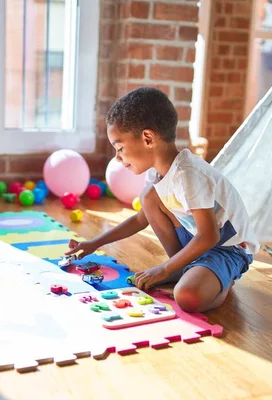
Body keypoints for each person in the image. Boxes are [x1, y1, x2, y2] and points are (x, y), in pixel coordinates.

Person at [66, 87, 259, 313]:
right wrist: (95, 243)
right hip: (199, 241)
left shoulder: (188, 174)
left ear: (148, 138)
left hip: (227, 249)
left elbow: (210, 236)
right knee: (149, 197)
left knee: (187, 297)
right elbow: (141, 219)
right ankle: (187, 268)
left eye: (120, 148)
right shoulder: (157, 172)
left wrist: (164, 269)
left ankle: (224, 281)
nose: (117, 158)